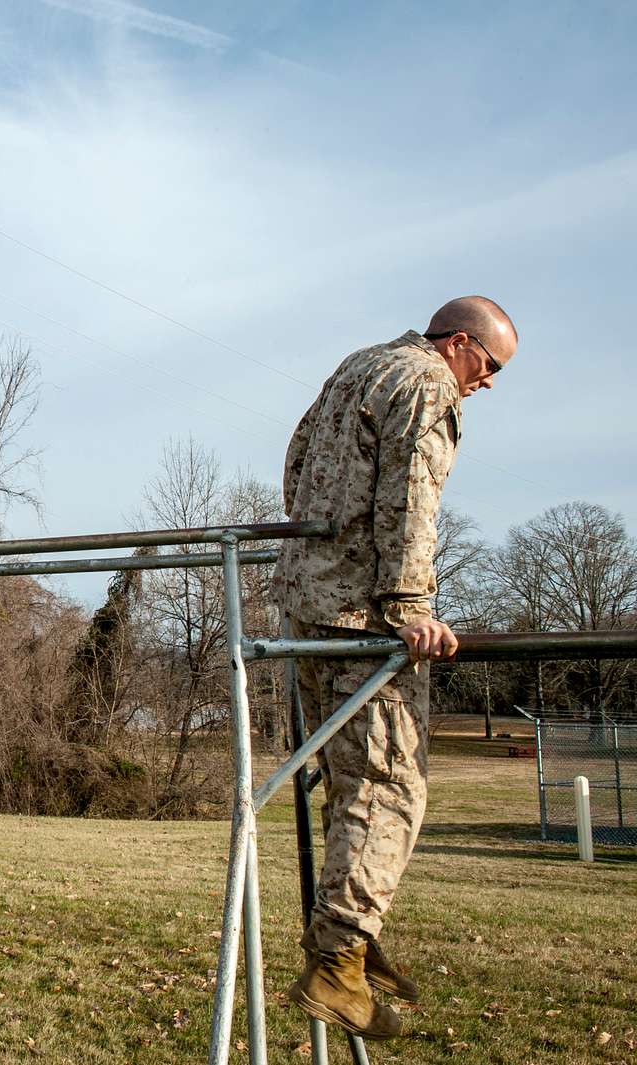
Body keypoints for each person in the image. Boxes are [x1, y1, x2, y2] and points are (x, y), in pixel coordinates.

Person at [274, 296, 517, 1039]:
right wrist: (411, 605)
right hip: (365, 619)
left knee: (349, 781)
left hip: (308, 606)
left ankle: (347, 932)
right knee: (390, 784)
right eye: (490, 364)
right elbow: (414, 494)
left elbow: (295, 459)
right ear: (459, 342)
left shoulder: (358, 366)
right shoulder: (428, 381)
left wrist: (320, 563)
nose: (489, 382)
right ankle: (338, 958)